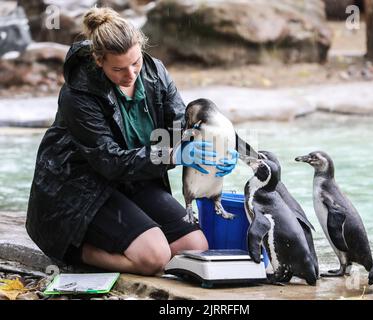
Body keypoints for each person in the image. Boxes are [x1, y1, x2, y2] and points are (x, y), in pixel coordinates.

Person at [26, 7, 237, 276]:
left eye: (135, 62)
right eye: (119, 68)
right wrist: (173, 155)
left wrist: (218, 151)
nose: (131, 74)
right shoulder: (77, 93)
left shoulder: (155, 72)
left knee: (194, 246)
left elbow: (182, 126)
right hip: (79, 187)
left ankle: (133, 241)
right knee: (155, 257)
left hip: (134, 179)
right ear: (98, 60)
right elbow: (109, 161)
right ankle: (72, 250)